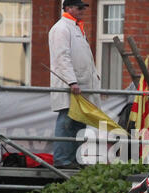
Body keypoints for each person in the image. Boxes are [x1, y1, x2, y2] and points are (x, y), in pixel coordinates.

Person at [49, 0, 101, 169]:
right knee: (67, 121)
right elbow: (61, 58)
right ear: (68, 8)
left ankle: (73, 159)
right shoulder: (61, 28)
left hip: (80, 86)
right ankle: (63, 160)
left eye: (83, 8)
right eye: (79, 8)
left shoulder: (75, 27)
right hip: (70, 86)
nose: (82, 11)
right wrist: (71, 81)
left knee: (78, 122)